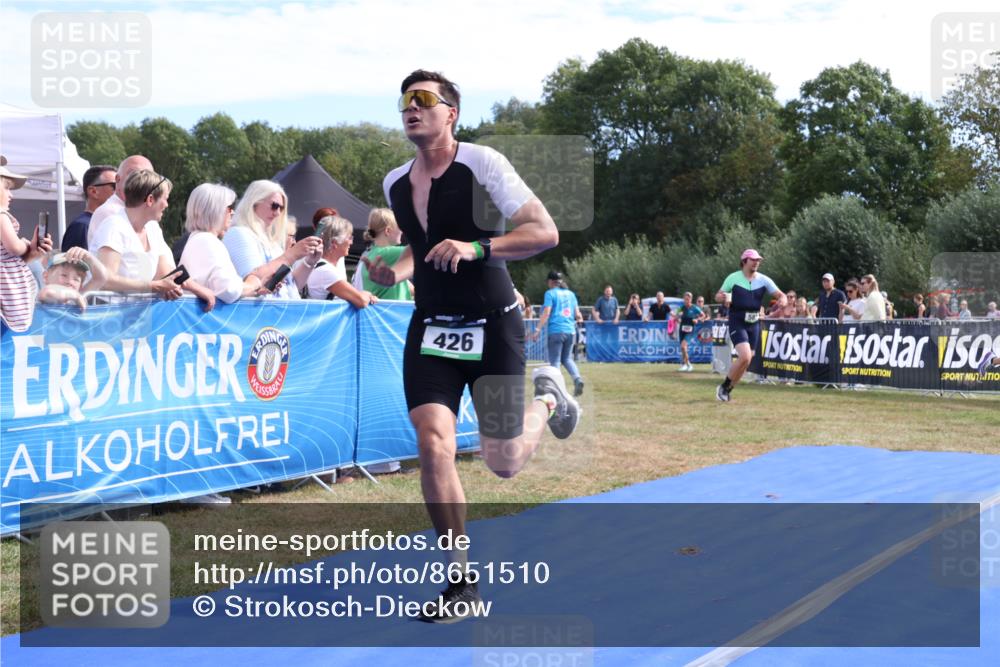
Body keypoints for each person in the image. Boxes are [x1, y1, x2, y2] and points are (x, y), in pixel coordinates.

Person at [365, 69, 578, 623]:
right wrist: (395, 273)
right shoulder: (395, 182)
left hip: (492, 324)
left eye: (424, 99)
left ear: (451, 113)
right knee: (432, 441)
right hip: (432, 327)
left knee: (503, 461)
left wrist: (477, 247)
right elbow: (420, 248)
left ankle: (549, 399)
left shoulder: (483, 163)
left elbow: (544, 231)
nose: (411, 108)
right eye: (405, 101)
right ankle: (460, 581)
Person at [93, 169, 215, 309]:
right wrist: (155, 286)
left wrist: (197, 289)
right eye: (165, 199)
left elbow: (165, 272)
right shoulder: (113, 226)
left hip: (137, 314)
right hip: (108, 314)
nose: (167, 205)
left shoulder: (152, 227)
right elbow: (105, 280)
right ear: (150, 200)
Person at [224, 180, 322, 300]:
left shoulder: (271, 241)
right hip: (260, 310)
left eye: (281, 208)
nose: (278, 213)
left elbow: (290, 287)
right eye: (274, 206)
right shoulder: (238, 233)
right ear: (254, 202)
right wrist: (291, 255)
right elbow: (253, 282)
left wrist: (310, 262)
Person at [714, 249, 784, 402]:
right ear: (744, 261)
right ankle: (723, 387)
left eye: (758, 260)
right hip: (737, 321)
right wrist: (723, 297)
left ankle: (728, 390)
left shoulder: (764, 279)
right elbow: (718, 296)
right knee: (745, 356)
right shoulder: (733, 278)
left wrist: (783, 300)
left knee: (747, 360)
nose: (757, 262)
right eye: (753, 260)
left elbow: (780, 295)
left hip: (754, 324)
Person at [179, 183, 266, 303]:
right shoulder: (208, 241)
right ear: (215, 211)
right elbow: (229, 290)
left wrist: (255, 291)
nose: (232, 213)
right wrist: (253, 283)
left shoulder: (197, 239)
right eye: (230, 208)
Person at [1, 158, 51, 331]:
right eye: (6, 188)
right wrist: (27, 246)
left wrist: (32, 253)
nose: (11, 195)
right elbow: (14, 248)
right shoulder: (1, 215)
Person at [531, 271, 584, 396]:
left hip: (556, 330)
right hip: (570, 331)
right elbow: (578, 314)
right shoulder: (571, 294)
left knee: (555, 361)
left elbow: (546, 312)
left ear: (550, 281)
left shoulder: (550, 293)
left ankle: (558, 390)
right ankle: (577, 379)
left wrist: (537, 330)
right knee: (567, 359)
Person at [306, 215, 377, 308]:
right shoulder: (326, 271)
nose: (351, 242)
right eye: (349, 238)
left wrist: (362, 295)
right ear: (334, 243)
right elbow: (361, 301)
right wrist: (367, 294)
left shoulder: (319, 265)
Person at [87, 155, 153, 249]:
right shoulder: (110, 213)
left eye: (148, 176)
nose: (141, 180)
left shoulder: (147, 215)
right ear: (117, 179)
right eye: (133, 174)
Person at [353, 208, 412, 300]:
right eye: (399, 226)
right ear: (387, 231)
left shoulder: (369, 252)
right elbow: (419, 249)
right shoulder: (388, 253)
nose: (402, 231)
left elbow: (408, 287)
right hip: (392, 308)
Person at [62, 164, 116, 251]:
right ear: (93, 191)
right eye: (115, 186)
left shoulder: (111, 224)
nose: (121, 190)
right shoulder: (82, 226)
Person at [37, 248, 108, 310]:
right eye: (64, 275)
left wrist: (88, 257)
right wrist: (76, 295)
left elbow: (101, 278)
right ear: (46, 277)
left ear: (81, 285)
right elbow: (47, 292)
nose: (70, 282)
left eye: (76, 279)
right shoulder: (47, 297)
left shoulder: (79, 297)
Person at [674, 291, 705, 372]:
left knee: (683, 346)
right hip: (682, 330)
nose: (686, 301)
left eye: (688, 299)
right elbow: (676, 316)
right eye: (685, 299)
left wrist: (697, 319)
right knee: (683, 348)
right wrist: (678, 317)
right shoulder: (681, 308)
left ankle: (688, 364)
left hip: (690, 330)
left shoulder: (695, 308)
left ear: (691, 299)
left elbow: (703, 315)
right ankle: (684, 364)